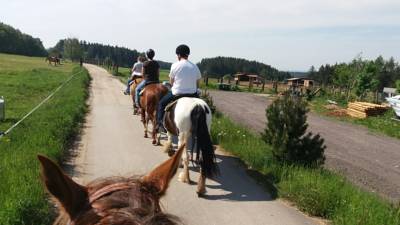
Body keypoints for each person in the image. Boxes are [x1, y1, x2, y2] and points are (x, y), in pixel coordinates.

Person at [157, 44, 201, 132]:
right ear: (187, 54)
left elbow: (171, 83)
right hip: (193, 94)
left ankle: (160, 124)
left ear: (179, 55)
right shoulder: (195, 66)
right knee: (202, 108)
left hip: (177, 93)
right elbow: (198, 83)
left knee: (161, 104)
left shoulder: (175, 65)